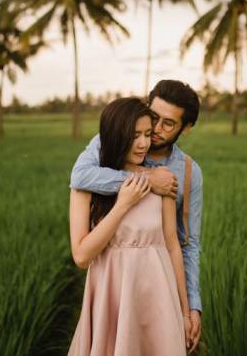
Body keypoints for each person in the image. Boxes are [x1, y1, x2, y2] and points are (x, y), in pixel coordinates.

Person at [71, 80, 203, 352]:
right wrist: (141, 182)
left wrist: (189, 309)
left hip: (158, 294)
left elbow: (180, 245)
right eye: (153, 119)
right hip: (112, 291)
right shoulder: (98, 160)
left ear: (185, 128)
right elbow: (79, 178)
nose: (151, 134)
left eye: (168, 124)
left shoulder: (175, 177)